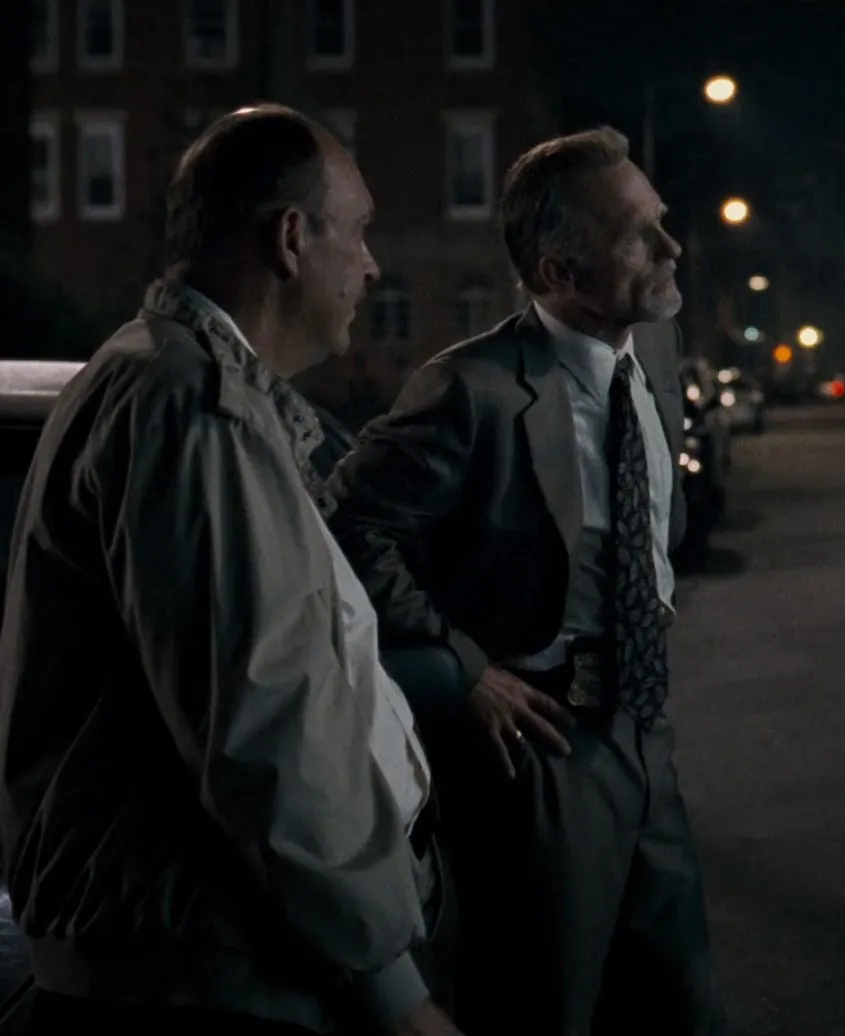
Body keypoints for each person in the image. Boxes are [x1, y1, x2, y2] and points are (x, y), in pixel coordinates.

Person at [0, 106, 458, 1036]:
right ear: (291, 239)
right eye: (359, 232)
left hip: (216, 953)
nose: (372, 266)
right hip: (211, 971)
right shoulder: (188, 403)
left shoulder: (185, 383)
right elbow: (265, 727)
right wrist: (395, 994)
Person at [325, 127, 716, 1036]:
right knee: (543, 1008)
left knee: (682, 1006)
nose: (671, 246)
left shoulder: (653, 351)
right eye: (638, 236)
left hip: (643, 731)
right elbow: (348, 528)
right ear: (557, 272)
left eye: (661, 219)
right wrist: (463, 670)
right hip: (544, 748)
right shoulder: (472, 390)